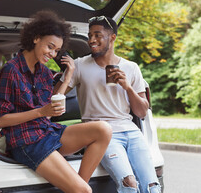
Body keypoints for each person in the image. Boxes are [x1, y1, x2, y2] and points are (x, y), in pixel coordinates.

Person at [0, 11, 112, 193]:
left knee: (103, 129)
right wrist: (41, 112)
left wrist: (67, 78)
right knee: (84, 191)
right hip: (26, 141)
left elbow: (53, 101)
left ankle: (77, 188)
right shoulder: (11, 70)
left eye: (57, 50)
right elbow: (1, 120)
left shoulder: (44, 72)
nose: (52, 53)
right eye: (50, 47)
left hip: (48, 133)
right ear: (35, 38)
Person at [56, 16, 161, 193]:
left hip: (132, 133)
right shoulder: (80, 65)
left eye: (97, 35)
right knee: (129, 184)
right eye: (89, 35)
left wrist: (128, 88)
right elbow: (54, 98)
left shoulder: (131, 67)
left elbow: (142, 112)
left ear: (112, 37)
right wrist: (68, 73)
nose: (91, 40)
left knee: (152, 187)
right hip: (104, 134)